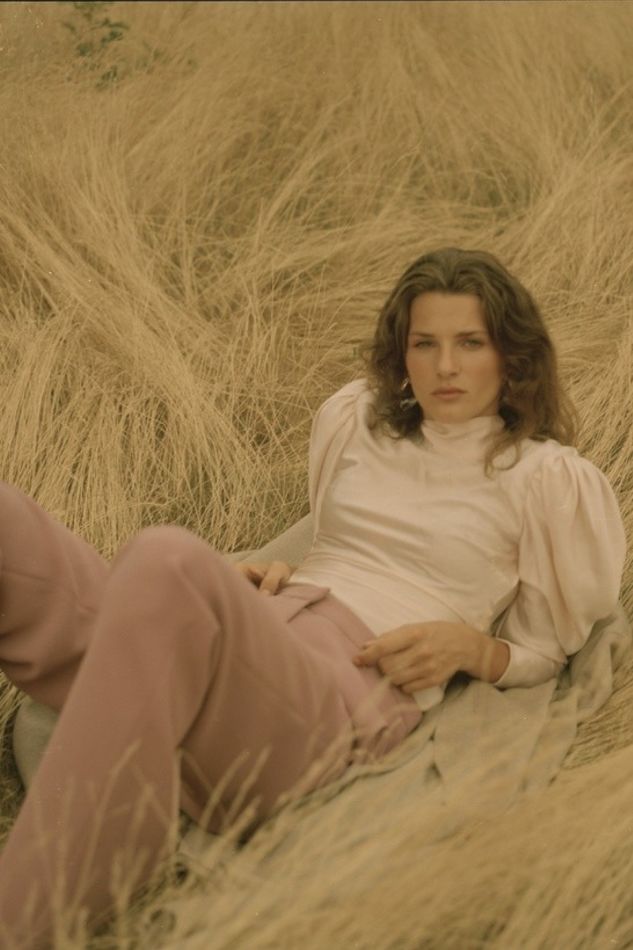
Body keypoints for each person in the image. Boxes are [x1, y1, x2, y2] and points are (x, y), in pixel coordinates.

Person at [0, 247, 626, 947]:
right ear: (402, 352)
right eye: (425, 343)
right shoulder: (356, 418)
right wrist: (256, 584)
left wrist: (474, 650)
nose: (445, 366)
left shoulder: (545, 479)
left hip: (339, 695)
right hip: (270, 639)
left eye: (469, 343)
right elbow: (332, 543)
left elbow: (546, 649)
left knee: (165, 557)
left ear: (512, 356)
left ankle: (26, 916)